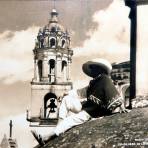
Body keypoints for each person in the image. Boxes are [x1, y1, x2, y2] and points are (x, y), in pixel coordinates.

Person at [31, 58, 129, 146]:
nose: (91, 70)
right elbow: (81, 92)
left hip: (93, 112)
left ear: (99, 69)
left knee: (70, 120)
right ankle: (58, 126)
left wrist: (121, 107)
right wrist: (67, 94)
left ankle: (46, 137)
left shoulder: (105, 79)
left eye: (93, 68)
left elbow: (113, 93)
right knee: (66, 100)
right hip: (87, 107)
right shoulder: (94, 82)